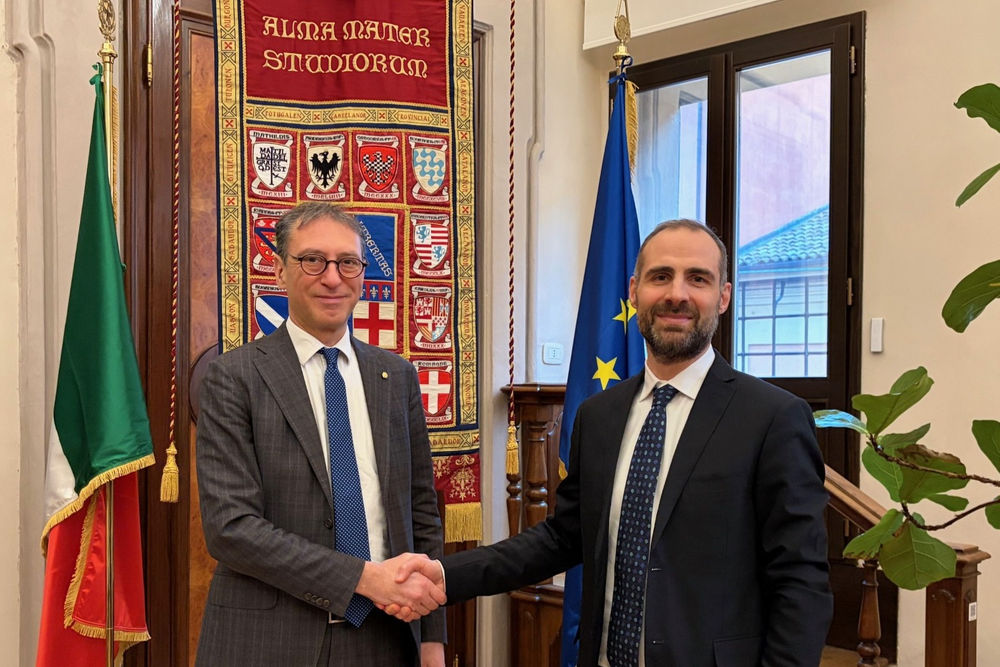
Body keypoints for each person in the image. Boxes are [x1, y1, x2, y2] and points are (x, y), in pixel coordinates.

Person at [391, 219, 833, 666]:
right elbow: (562, 539)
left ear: (723, 296)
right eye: (661, 276)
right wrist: (445, 574)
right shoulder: (599, 416)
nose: (676, 294)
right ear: (635, 289)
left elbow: (800, 580)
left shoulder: (772, 418)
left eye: (697, 278)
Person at [196, 202, 447, 667]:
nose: (332, 278)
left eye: (347, 262)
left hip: (386, 638)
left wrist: (432, 637)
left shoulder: (396, 377)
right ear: (279, 271)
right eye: (313, 260)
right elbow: (231, 529)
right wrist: (363, 579)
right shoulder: (235, 377)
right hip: (269, 641)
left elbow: (421, 512)